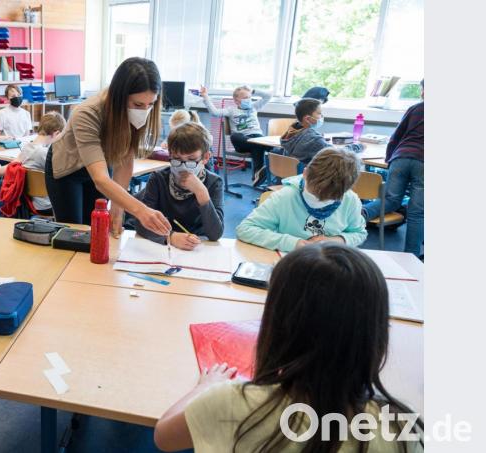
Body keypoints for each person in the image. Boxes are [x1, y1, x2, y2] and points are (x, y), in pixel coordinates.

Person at [154, 243, 424, 452]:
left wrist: (204, 387)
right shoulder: (401, 425)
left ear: (277, 323)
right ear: (374, 332)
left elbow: (163, 436)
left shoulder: (232, 401)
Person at [45, 57, 171, 237]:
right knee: (73, 233)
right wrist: (140, 211)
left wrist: (118, 208)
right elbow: (101, 179)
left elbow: (125, 158)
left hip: (101, 164)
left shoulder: (137, 111)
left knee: (97, 229)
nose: (144, 110)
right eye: (138, 104)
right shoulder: (87, 113)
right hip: (68, 168)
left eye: (150, 104)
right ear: (120, 97)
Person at [236, 147, 367, 252]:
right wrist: (293, 243)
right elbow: (245, 229)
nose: (319, 200)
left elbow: (359, 233)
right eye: (314, 193)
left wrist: (338, 240)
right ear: (305, 173)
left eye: (328, 199)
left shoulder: (350, 200)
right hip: (292, 261)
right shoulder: (286, 197)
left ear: (346, 190)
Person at [132, 122, 224, 249]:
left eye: (191, 159)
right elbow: (141, 224)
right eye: (176, 158)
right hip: (163, 247)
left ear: (205, 157)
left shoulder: (214, 183)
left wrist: (201, 193)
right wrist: (170, 236)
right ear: (169, 155)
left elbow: (215, 234)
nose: (183, 166)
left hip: (198, 248)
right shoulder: (158, 179)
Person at [363, 80, 424, 258]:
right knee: (417, 212)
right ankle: (410, 257)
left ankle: (362, 213)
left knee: (391, 200)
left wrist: (390, 159)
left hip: (401, 157)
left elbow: (396, 136)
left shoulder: (416, 108)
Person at [200, 84, 272, 185]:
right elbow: (215, 112)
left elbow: (268, 96)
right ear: (236, 100)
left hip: (257, 138)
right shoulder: (231, 110)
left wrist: (254, 90)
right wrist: (205, 97)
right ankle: (260, 172)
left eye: (250, 97)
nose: (249, 100)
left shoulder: (254, 107)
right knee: (236, 136)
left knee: (272, 146)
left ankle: (259, 175)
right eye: (246, 98)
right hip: (242, 142)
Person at [281, 98, 365, 165]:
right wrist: (358, 146)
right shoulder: (313, 139)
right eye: (319, 113)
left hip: (293, 177)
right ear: (307, 118)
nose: (321, 116)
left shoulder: (290, 133)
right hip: (311, 180)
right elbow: (339, 154)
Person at [13, 112, 66, 215]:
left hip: (30, 202)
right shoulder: (43, 153)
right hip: (47, 205)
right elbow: (63, 171)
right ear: (56, 134)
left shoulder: (26, 147)